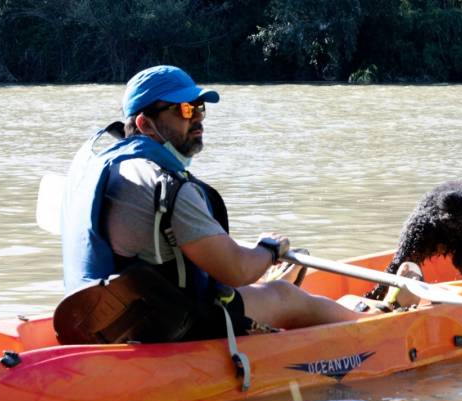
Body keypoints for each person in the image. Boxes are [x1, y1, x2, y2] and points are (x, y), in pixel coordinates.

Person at [58, 65, 362, 345]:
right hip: (174, 324)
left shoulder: (100, 168)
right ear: (145, 124)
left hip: (102, 316)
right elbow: (236, 271)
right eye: (184, 109)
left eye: (200, 108)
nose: (198, 118)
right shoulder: (168, 185)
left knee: (267, 286)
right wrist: (268, 250)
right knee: (285, 296)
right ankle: (376, 325)